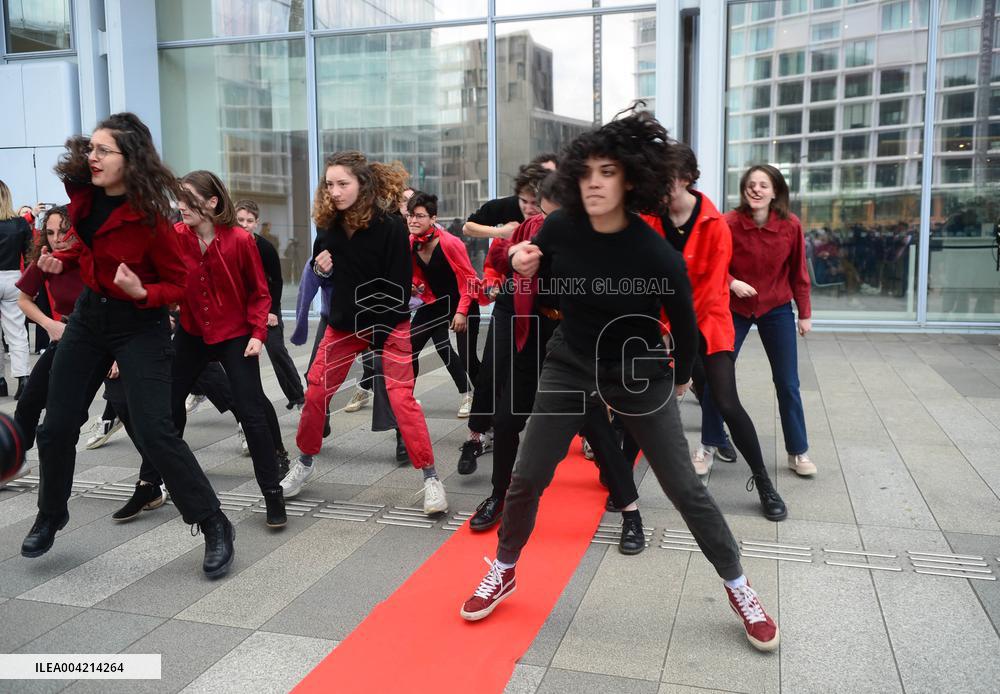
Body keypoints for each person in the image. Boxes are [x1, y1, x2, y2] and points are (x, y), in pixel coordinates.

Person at [459, 111, 779, 653]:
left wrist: (680, 378)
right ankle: (505, 568)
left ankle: (739, 586)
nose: (595, 183)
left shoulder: (654, 253)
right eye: (586, 172)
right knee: (527, 476)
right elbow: (528, 261)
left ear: (630, 180)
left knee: (683, 486)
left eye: (608, 172)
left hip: (638, 367)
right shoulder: (561, 227)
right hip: (571, 360)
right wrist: (519, 258)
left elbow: (686, 327)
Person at [22, 113, 234, 577]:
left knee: (156, 431)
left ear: (130, 158)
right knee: (56, 426)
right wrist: (63, 261)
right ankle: (51, 514)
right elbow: (94, 248)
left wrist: (143, 291)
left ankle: (213, 521)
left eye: (104, 150)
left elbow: (178, 284)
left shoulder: (153, 220)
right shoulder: (85, 197)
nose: (92, 158)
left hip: (140, 324)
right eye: (91, 149)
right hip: (89, 317)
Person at [281, 151, 446, 515]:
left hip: (389, 323)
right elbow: (323, 273)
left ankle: (431, 478)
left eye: (343, 184)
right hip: (344, 324)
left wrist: (379, 339)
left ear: (363, 185)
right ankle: (304, 462)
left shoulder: (390, 226)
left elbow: (399, 287)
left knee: (401, 400)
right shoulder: (328, 225)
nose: (335, 191)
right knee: (316, 392)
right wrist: (321, 270)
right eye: (330, 184)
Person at [119, 170, 285, 528]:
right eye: (178, 198)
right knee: (165, 409)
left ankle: (273, 493)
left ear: (212, 202)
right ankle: (149, 484)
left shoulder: (240, 240)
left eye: (189, 199)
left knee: (251, 411)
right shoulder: (175, 237)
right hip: (192, 332)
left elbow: (260, 293)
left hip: (235, 334)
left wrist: (258, 333)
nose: (181, 205)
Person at [641, 145, 786, 521]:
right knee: (643, 401)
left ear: (686, 179)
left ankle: (764, 482)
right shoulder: (651, 219)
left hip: (708, 322)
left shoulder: (714, 224)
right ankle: (622, 485)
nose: (658, 185)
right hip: (666, 324)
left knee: (726, 401)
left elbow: (708, 293)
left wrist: (678, 349)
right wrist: (661, 330)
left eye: (666, 178)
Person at [700, 165, 816, 478]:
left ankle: (798, 451)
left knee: (788, 382)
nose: (756, 190)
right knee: (717, 378)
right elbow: (712, 265)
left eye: (764, 185)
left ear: (775, 191)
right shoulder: (728, 223)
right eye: (751, 184)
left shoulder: (791, 225)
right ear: (744, 190)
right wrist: (732, 282)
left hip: (776, 308)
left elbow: (798, 272)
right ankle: (709, 445)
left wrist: (804, 313)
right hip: (733, 308)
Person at [456, 163, 549, 473]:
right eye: (524, 201)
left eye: (535, 202)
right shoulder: (510, 212)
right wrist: (504, 238)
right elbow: (483, 245)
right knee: (492, 368)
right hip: (511, 301)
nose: (529, 207)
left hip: (548, 308)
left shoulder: (560, 221)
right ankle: (476, 435)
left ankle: (593, 435)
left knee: (565, 374)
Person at [13, 206, 85, 450]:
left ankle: (155, 470)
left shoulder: (92, 258)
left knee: (131, 411)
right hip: (68, 336)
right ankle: (15, 459)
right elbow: (23, 300)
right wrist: (49, 324)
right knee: (29, 401)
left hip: (106, 337)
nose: (57, 239)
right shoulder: (46, 259)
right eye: (51, 233)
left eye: (64, 232)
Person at [407, 191, 477, 418]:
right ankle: (406, 399)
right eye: (410, 215)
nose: (413, 220)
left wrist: (462, 312)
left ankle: (479, 397)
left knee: (467, 358)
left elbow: (470, 280)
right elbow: (415, 273)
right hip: (434, 303)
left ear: (433, 219)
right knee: (410, 347)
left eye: (419, 216)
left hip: (462, 301)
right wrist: (415, 285)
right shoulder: (411, 242)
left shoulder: (450, 243)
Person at [234, 199, 306, 411]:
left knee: (276, 350)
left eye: (249, 220)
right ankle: (248, 407)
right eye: (240, 220)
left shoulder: (265, 248)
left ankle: (299, 398)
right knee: (239, 356)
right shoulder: (228, 245)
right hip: (238, 310)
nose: (244, 224)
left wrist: (273, 311)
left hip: (265, 307)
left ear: (256, 222)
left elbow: (278, 281)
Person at [0, 180, 33, 399]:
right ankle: (23, 379)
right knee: (17, 332)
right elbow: (30, 256)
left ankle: (0, 382)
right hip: (14, 278)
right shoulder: (21, 223)